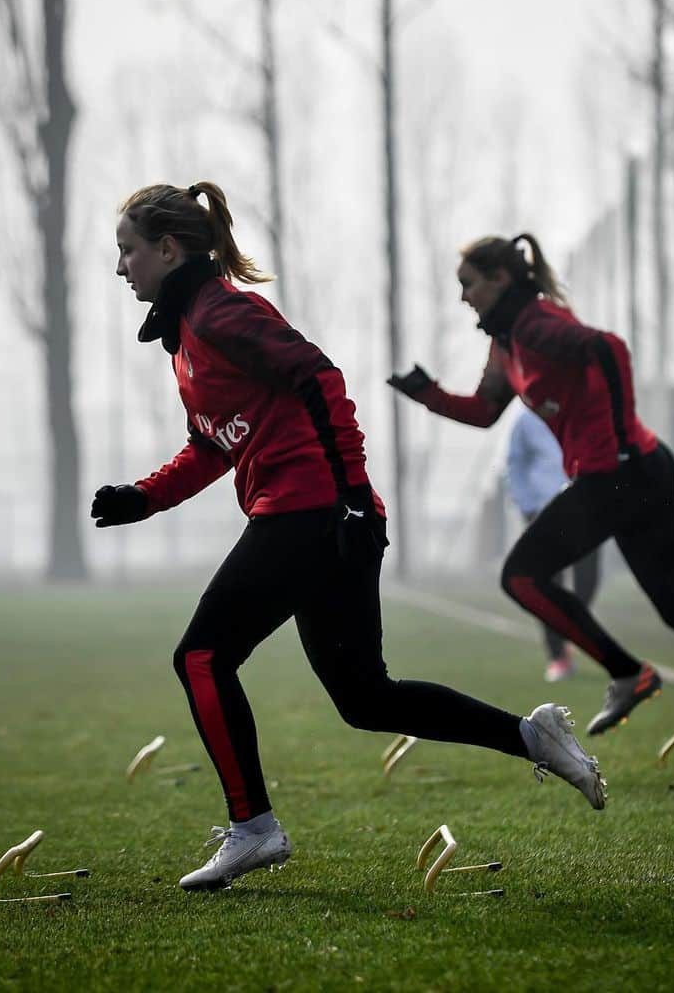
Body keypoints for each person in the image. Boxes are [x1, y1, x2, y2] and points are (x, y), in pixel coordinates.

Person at [93, 186, 606, 892]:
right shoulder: (186, 335)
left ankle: (254, 829)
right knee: (367, 698)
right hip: (313, 513)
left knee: (203, 655)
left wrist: (355, 499)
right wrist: (143, 498)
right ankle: (534, 735)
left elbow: (320, 378)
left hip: (310, 512)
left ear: (169, 249)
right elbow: (214, 446)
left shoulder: (221, 312)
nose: (120, 266)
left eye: (127, 250)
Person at [388, 233, 674, 771]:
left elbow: (609, 348)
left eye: (468, 285)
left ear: (500, 280)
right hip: (635, 471)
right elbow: (483, 411)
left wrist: (615, 441)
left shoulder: (537, 325)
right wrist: (426, 393)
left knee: (522, 577)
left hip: (620, 472)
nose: (463, 298)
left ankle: (626, 672)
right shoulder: (507, 341)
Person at [506, 405, 600, 681]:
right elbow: (515, 463)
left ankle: (570, 627)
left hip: (585, 509)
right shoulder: (526, 419)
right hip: (543, 511)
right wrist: (526, 504)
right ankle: (557, 655)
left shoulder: (584, 410)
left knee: (588, 580)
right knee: (547, 585)